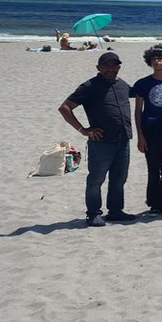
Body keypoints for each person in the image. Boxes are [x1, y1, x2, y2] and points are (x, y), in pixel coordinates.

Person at [59, 52, 136, 227]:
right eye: (106, 65)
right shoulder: (89, 86)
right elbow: (65, 107)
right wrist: (82, 129)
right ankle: (93, 213)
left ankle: (115, 211)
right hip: (101, 143)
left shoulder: (123, 85)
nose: (110, 69)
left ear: (119, 67)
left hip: (123, 141)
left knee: (119, 179)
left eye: (113, 65)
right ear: (98, 68)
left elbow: (141, 93)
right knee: (96, 180)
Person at [131, 45, 162, 217]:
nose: (157, 61)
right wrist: (140, 137)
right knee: (153, 166)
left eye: (160, 58)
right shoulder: (143, 84)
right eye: (154, 58)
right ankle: (153, 204)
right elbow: (138, 111)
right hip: (150, 128)